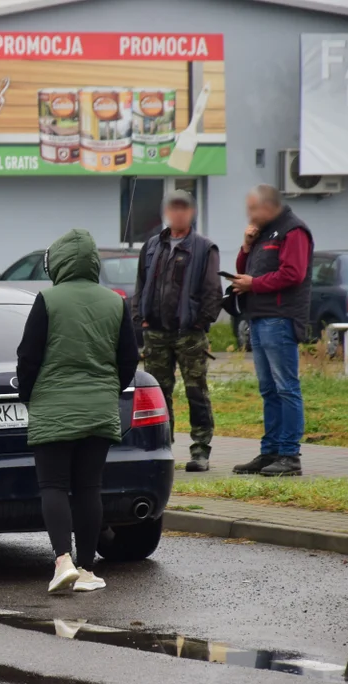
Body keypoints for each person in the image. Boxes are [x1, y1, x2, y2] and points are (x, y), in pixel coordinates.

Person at [17, 230, 140, 594]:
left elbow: (29, 355)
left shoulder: (48, 300)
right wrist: (109, 391)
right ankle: (87, 569)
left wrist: (29, 396)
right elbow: (129, 357)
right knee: (89, 487)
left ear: (58, 262)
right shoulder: (115, 301)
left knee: (53, 485)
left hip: (53, 404)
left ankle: (62, 561)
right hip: (100, 407)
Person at [131, 190, 222, 472]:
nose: (177, 213)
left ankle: (200, 450)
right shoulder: (151, 246)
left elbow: (212, 293)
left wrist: (200, 322)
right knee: (158, 393)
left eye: (183, 208)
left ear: (191, 213)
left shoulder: (205, 248)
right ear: (165, 212)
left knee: (197, 392)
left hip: (190, 335)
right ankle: (162, 448)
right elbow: (140, 285)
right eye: (173, 208)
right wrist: (140, 318)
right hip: (155, 334)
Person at [230, 185, 314, 477]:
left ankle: (289, 455)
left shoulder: (294, 231)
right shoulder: (263, 233)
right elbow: (245, 269)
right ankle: (270, 452)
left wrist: (254, 284)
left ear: (270, 206)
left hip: (280, 318)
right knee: (268, 389)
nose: (250, 215)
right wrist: (246, 246)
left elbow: (293, 273)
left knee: (286, 388)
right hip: (258, 316)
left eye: (254, 208)